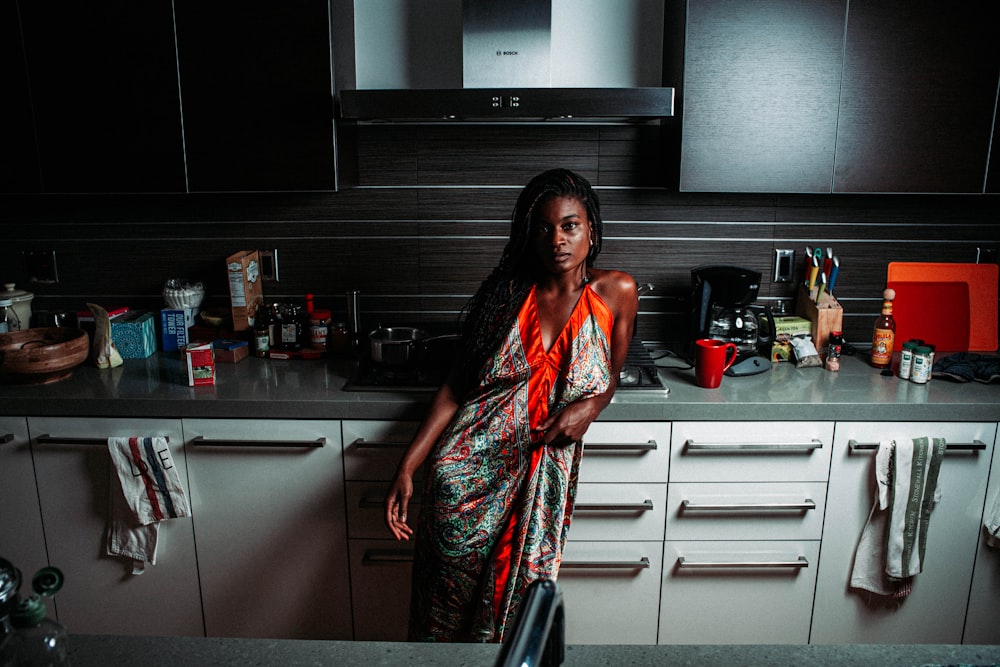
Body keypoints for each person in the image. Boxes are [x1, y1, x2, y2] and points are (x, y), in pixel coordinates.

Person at [384, 168, 638, 643]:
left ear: (592, 231)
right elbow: (456, 389)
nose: (557, 239)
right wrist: (408, 466)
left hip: (540, 480)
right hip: (465, 479)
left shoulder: (617, 293)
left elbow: (611, 376)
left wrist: (592, 408)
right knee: (444, 614)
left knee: (518, 615)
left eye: (569, 225)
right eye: (544, 228)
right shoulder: (506, 298)